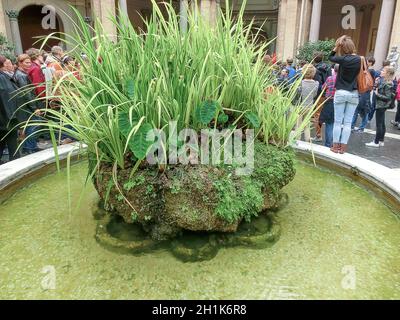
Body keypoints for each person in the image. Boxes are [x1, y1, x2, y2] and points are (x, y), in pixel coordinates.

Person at [328, 35, 361, 154]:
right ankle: (343, 148)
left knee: (338, 121)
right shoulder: (361, 59)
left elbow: (330, 56)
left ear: (343, 47)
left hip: (341, 92)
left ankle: (335, 146)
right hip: (354, 93)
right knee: (348, 123)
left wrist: (336, 46)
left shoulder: (342, 59)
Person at [13, 54, 42, 154]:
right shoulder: (21, 75)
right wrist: (34, 108)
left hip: (25, 105)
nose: (29, 64)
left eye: (30, 62)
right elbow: (27, 93)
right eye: (26, 62)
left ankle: (29, 146)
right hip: (27, 106)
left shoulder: (20, 74)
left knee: (31, 125)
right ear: (20, 63)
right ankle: (30, 147)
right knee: (33, 125)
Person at [366, 66, 396, 148]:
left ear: (387, 73)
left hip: (381, 105)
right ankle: (381, 141)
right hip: (381, 105)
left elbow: (387, 97)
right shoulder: (385, 81)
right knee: (382, 123)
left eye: (383, 71)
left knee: (379, 124)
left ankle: (376, 142)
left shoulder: (388, 83)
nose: (381, 72)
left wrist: (377, 94)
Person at [0, 55, 21, 163]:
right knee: (13, 146)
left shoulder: (4, 77)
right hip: (6, 120)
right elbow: (7, 98)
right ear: (3, 64)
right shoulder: (3, 78)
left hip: (5, 120)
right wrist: (12, 118)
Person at [351, 56, 378, 132]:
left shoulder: (371, 71)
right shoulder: (364, 70)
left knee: (364, 111)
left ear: (370, 63)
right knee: (356, 110)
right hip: (361, 92)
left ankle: (361, 128)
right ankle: (352, 126)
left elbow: (370, 82)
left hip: (365, 93)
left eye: (367, 61)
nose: (366, 63)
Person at [312, 52, 332, 142]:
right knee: (323, 114)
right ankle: (321, 135)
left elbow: (317, 84)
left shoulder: (316, 69)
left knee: (318, 114)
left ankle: (318, 135)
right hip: (327, 93)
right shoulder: (328, 67)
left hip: (319, 93)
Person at [297, 64, 319, 142]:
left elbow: (298, 94)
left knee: (298, 124)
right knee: (307, 124)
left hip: (301, 106)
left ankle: (297, 140)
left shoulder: (300, 83)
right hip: (310, 105)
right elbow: (314, 95)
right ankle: (307, 139)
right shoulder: (316, 83)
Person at [320, 64, 339, 148]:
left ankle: (328, 143)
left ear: (334, 70)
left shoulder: (330, 78)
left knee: (329, 123)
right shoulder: (343, 80)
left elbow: (323, 88)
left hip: (329, 101)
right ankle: (334, 143)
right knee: (336, 123)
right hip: (339, 102)